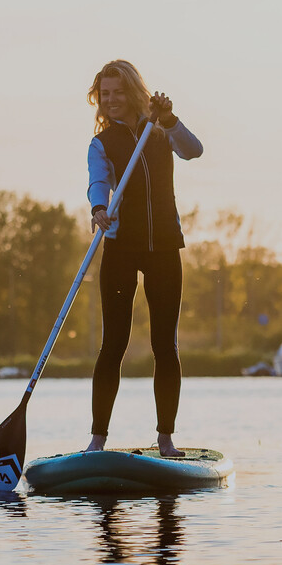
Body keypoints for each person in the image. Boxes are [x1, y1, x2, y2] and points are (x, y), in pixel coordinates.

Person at [84, 60, 203, 457]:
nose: (112, 100)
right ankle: (97, 441)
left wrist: (169, 119)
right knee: (112, 345)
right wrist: (98, 208)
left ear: (133, 92)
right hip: (120, 248)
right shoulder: (102, 144)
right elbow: (98, 182)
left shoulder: (160, 130)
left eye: (118, 92)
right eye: (105, 94)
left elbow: (194, 151)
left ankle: (165, 439)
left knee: (164, 345)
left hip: (165, 247)